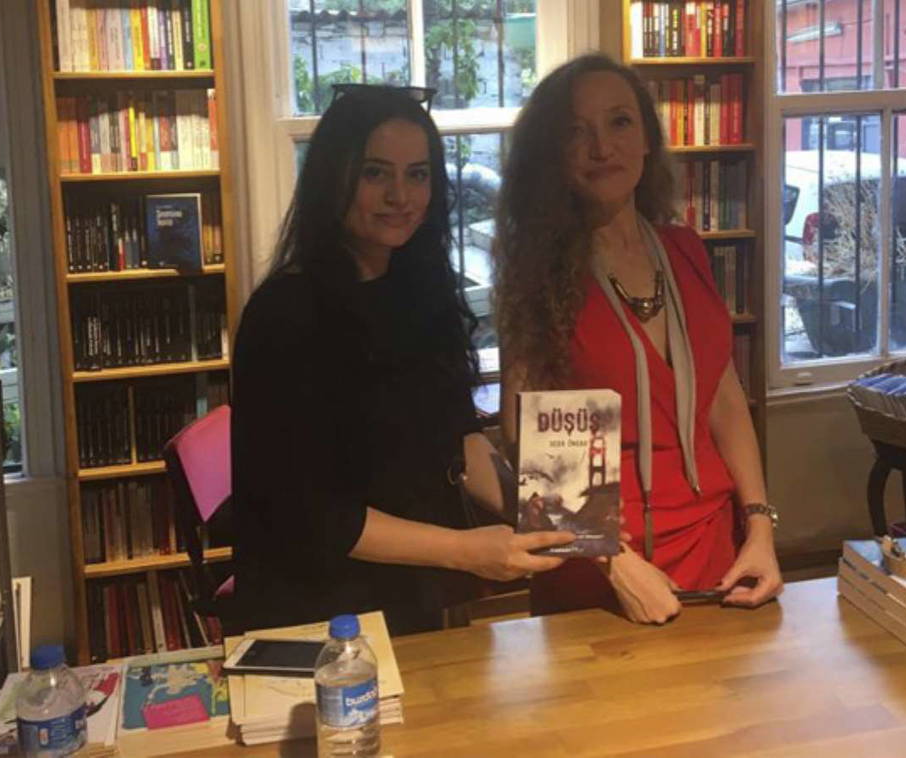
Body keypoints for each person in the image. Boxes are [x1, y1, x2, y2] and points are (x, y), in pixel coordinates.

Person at [230, 86, 574, 636]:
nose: (400, 196)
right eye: (375, 173)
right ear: (333, 177)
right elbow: (316, 515)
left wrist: (542, 511)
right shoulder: (286, 315)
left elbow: (457, 437)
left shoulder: (420, 290)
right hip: (317, 615)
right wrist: (466, 550)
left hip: (415, 595)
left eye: (417, 174)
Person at [493, 54, 783, 625]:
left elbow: (723, 399)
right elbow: (523, 431)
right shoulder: (537, 273)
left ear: (648, 138)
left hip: (718, 552)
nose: (602, 147)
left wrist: (760, 526)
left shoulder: (685, 249)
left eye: (620, 122)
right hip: (600, 566)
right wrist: (615, 562)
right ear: (553, 154)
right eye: (576, 131)